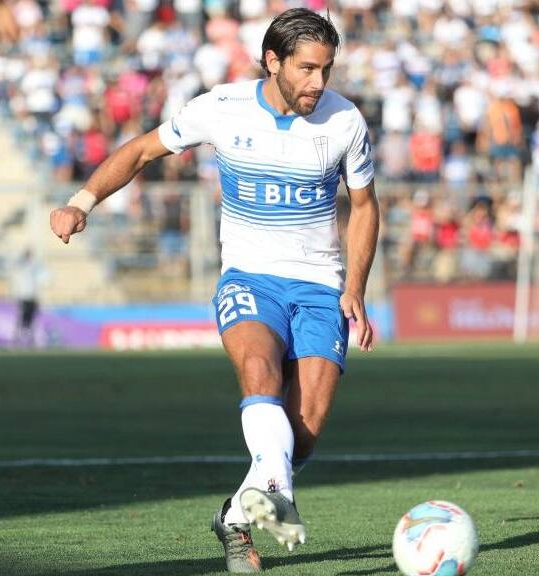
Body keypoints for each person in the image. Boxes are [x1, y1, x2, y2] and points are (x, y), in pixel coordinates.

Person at [49, 8, 379, 573]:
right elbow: (140, 151)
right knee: (259, 372)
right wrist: (81, 203)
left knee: (301, 438)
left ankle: (237, 514)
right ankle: (277, 492)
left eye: (326, 69)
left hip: (320, 285)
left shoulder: (345, 122)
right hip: (248, 277)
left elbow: (365, 207)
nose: (318, 83)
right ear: (271, 61)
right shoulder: (221, 108)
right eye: (306, 69)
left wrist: (355, 286)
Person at [11, 249, 45, 347]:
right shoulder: (20, 268)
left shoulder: (33, 268)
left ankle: (29, 341)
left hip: (31, 297)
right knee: (21, 320)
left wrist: (37, 297)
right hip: (23, 297)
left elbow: (36, 284)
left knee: (31, 320)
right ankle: (17, 341)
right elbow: (17, 283)